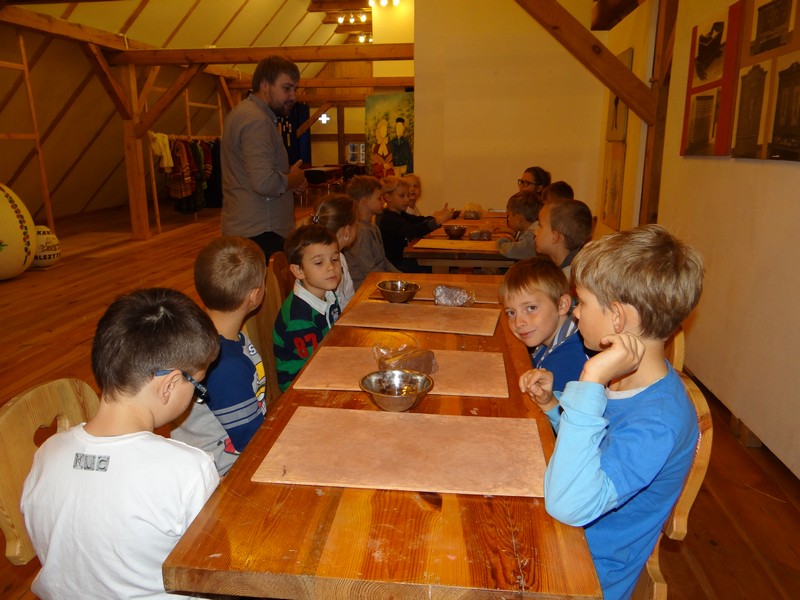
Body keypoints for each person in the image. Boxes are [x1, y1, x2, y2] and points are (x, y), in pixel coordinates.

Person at [519, 224, 704, 600]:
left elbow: (570, 505)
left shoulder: (658, 421)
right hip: (563, 540)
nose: (575, 314)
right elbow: (595, 449)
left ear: (617, 317)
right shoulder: (623, 380)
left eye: (583, 303)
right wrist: (554, 406)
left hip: (584, 574)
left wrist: (590, 380)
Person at [21, 288, 220, 599]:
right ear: (169, 385)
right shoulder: (189, 470)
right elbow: (215, 572)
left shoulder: (47, 454)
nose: (196, 394)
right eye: (197, 385)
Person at [171, 236, 268, 475]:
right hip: (224, 475)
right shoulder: (226, 365)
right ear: (254, 296)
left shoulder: (210, 338)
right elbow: (255, 442)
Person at [221, 55, 308, 261]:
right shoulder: (257, 121)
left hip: (252, 227)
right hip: (261, 231)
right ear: (265, 86)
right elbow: (263, 183)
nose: (293, 96)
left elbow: (253, 173)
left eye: (295, 89)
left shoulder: (246, 113)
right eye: (286, 88)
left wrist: (288, 180)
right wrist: (293, 179)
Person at [501, 257, 587, 392]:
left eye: (531, 308)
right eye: (511, 313)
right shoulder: (548, 336)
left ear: (562, 305)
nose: (518, 322)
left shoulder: (568, 362)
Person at [273, 224, 342, 391]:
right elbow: (316, 366)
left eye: (334, 259)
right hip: (300, 388)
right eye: (319, 262)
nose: (331, 267)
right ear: (298, 271)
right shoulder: (299, 318)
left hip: (325, 370)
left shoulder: (328, 295)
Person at [377, 175, 452, 272]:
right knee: (433, 265)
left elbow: (418, 220)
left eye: (407, 196)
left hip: (404, 261)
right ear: (388, 197)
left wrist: (437, 218)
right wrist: (438, 221)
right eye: (402, 196)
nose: (407, 199)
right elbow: (412, 230)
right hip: (396, 265)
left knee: (434, 264)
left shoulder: (400, 213)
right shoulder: (389, 218)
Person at [344, 175, 401, 290]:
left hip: (379, 281)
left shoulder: (373, 228)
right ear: (364, 202)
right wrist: (393, 282)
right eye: (379, 198)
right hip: (364, 287)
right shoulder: (360, 232)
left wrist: (400, 276)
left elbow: (383, 261)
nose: (383, 201)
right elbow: (370, 272)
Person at [310, 193, 359, 308]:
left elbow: (349, 299)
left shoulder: (340, 258)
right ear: (347, 231)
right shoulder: (326, 266)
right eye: (357, 225)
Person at [534, 199, 593, 278]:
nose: (535, 232)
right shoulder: (557, 266)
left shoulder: (567, 279)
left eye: (540, 226)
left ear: (555, 237)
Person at [496, 190, 543, 260]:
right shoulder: (535, 229)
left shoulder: (532, 235)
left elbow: (510, 251)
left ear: (518, 219)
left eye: (509, 215)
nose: (508, 218)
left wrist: (500, 242)